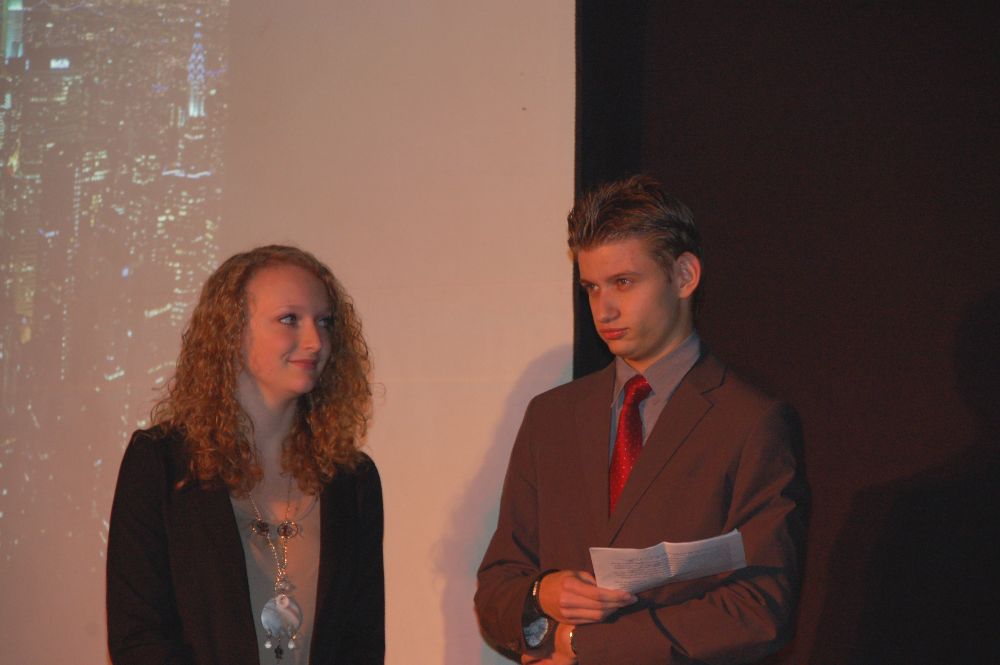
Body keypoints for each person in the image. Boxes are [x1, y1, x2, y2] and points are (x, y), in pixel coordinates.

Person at [475, 176, 808, 664]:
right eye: (591, 288)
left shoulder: (751, 422)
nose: (604, 309)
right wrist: (544, 593)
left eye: (624, 282)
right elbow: (496, 591)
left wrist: (581, 644)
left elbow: (760, 608)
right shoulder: (550, 417)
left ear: (684, 276)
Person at [107, 245, 383, 665]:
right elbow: (139, 639)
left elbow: (362, 644)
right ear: (231, 331)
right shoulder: (161, 464)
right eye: (289, 319)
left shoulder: (352, 479)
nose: (315, 341)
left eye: (325, 322)